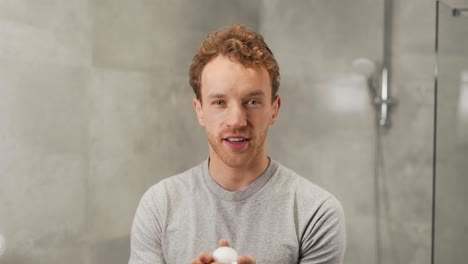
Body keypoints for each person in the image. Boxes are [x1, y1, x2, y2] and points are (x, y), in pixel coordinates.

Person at [128, 24, 346, 264]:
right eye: (219, 102)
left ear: (274, 109)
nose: (237, 121)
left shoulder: (316, 212)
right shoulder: (159, 205)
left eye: (252, 101)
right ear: (199, 110)